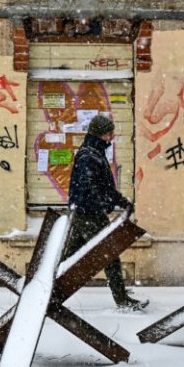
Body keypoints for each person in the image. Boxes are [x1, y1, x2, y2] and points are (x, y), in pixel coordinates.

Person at [65, 115, 149, 311]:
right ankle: (121, 300)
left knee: (71, 255)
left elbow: (105, 188)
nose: (112, 137)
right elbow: (90, 187)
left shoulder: (94, 152)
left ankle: (47, 288)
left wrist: (121, 201)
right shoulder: (89, 155)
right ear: (101, 134)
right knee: (109, 254)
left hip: (85, 212)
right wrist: (103, 204)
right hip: (89, 214)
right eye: (110, 133)